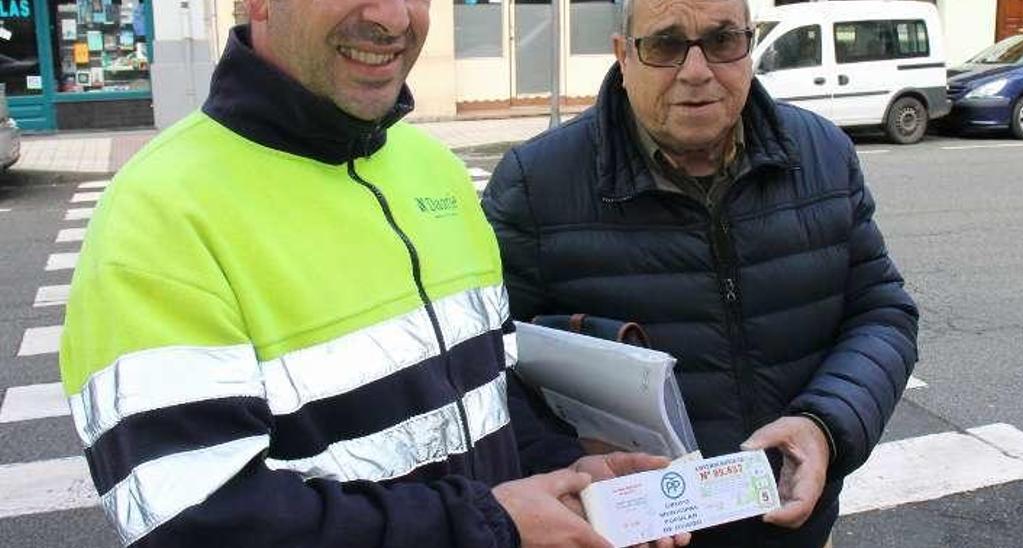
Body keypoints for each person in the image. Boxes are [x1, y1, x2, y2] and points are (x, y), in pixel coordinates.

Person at [59, 1, 687, 547]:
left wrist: (571, 476)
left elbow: (485, 395)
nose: (391, 17)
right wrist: (489, 523)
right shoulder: (159, 214)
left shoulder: (433, 169)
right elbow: (197, 524)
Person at [481, 0, 920, 544]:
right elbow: (485, 364)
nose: (697, 71)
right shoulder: (535, 184)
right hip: (630, 532)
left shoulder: (822, 155)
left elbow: (881, 311)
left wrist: (826, 426)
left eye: (722, 40)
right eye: (665, 45)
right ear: (624, 55)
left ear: (749, 45)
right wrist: (570, 467)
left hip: (795, 525)